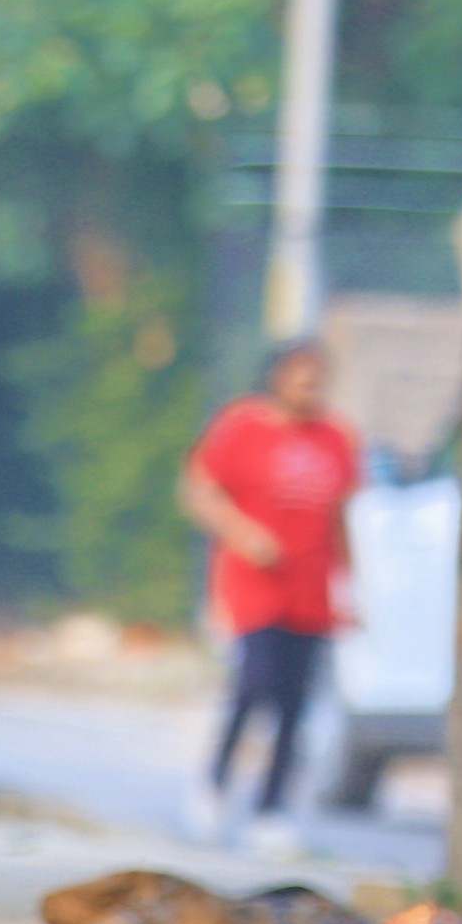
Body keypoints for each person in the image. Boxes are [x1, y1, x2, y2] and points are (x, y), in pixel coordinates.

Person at [178, 338, 360, 830]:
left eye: (318, 378)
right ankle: (216, 782)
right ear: (279, 377)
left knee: (295, 703)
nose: (310, 387)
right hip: (256, 582)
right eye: (302, 377)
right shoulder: (243, 426)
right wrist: (244, 535)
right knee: (255, 682)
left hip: (311, 585)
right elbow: (199, 491)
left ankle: (272, 809)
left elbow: (340, 517)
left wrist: (350, 586)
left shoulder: (335, 437)